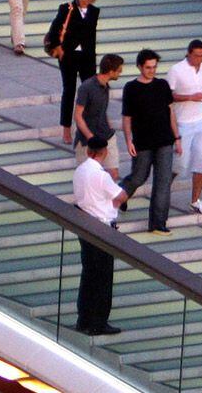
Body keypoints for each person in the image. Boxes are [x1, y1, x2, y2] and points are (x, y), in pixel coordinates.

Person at [71, 134, 128, 337]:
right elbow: (121, 196)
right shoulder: (102, 176)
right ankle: (99, 322)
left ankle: (83, 319)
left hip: (85, 225)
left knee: (88, 274)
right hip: (103, 228)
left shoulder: (79, 171)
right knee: (103, 277)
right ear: (104, 152)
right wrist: (113, 204)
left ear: (88, 151)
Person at [119, 48, 178, 234]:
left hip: (164, 140)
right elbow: (126, 117)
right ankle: (119, 196)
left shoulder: (162, 85)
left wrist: (177, 137)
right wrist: (128, 140)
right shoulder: (131, 88)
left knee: (163, 182)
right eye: (148, 67)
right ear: (139, 67)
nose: (151, 71)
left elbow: (171, 112)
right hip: (142, 142)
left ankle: (158, 223)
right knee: (138, 177)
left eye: (154, 67)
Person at [46, 0, 101, 143]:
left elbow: (91, 36)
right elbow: (54, 29)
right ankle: (66, 129)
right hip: (68, 55)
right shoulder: (67, 8)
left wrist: (92, 55)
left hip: (87, 56)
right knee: (69, 90)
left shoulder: (94, 11)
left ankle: (89, 126)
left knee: (90, 91)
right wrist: (59, 49)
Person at [160, 41, 202, 216]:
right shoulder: (176, 70)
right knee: (179, 164)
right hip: (183, 122)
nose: (199, 59)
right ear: (188, 53)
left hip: (201, 121)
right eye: (196, 55)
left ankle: (195, 200)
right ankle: (161, 193)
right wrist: (190, 97)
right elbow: (168, 96)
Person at [73, 53, 123, 173]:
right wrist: (90, 137)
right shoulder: (87, 87)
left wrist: (109, 127)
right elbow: (78, 115)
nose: (120, 73)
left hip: (106, 135)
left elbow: (102, 110)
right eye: (119, 70)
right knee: (88, 174)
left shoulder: (105, 86)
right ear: (111, 71)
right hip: (87, 140)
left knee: (113, 173)